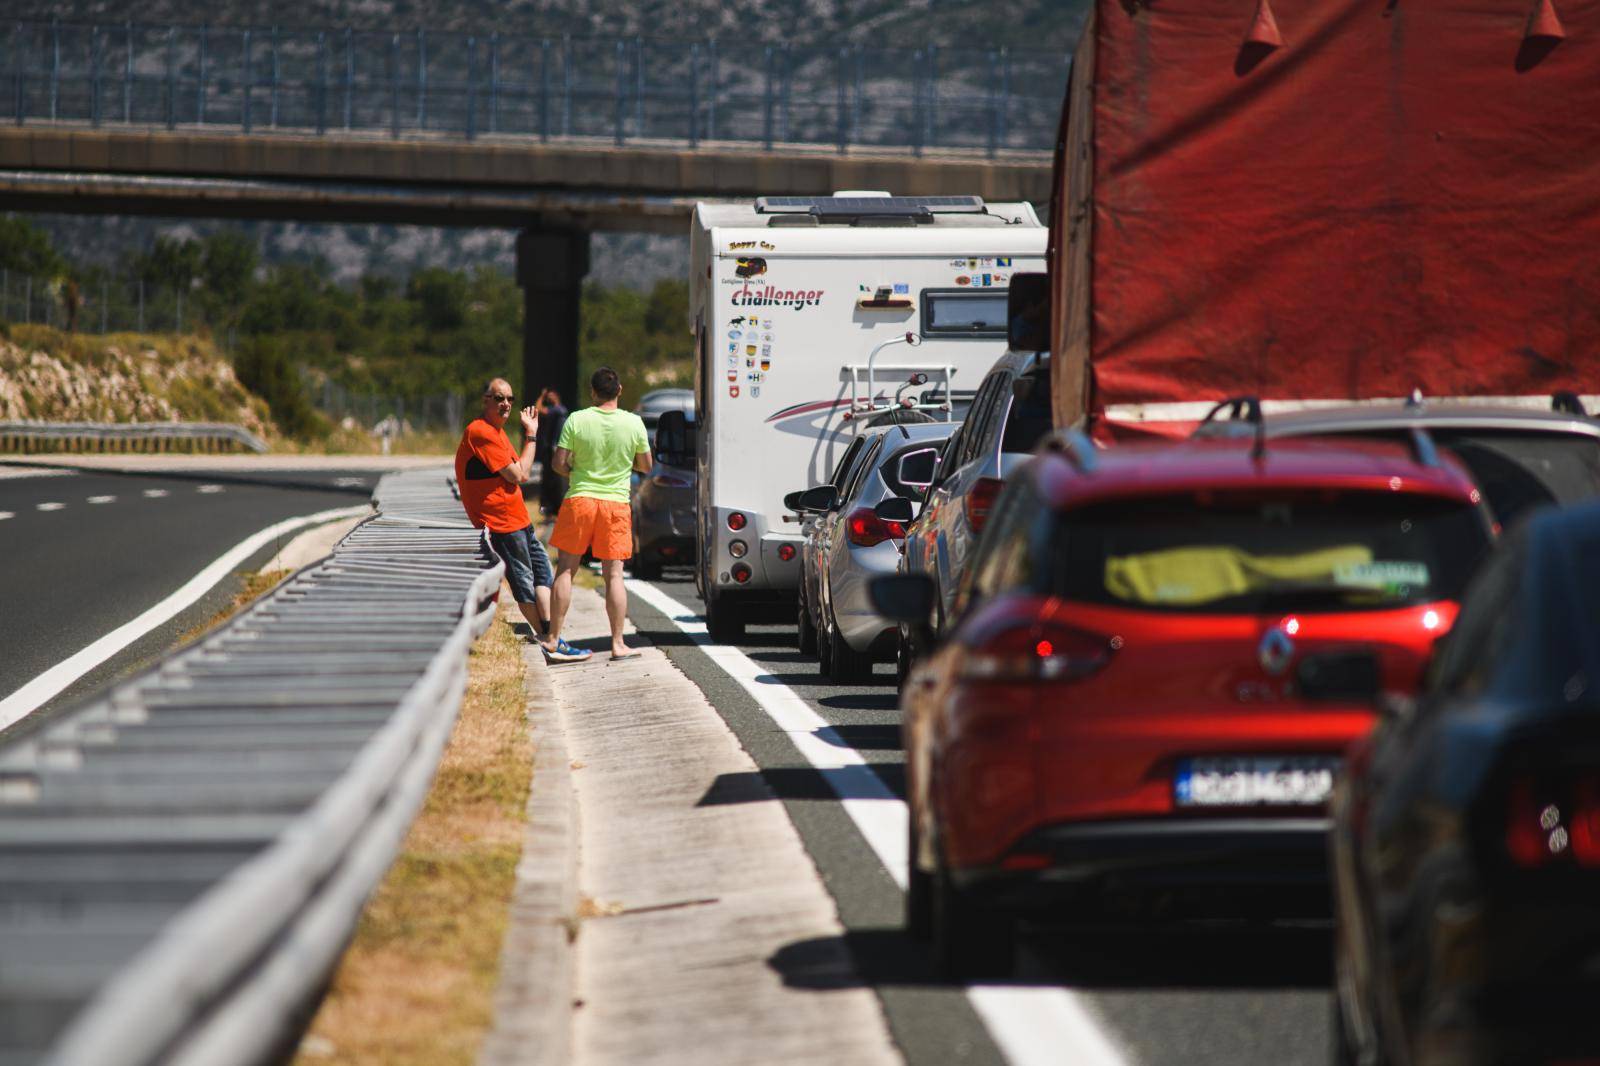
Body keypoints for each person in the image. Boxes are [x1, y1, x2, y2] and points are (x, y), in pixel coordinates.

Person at [455, 378, 592, 664]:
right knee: (524, 583)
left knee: (543, 574)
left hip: (518, 520)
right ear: (486, 401)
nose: (505, 404)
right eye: (499, 398)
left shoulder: (498, 433)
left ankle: (551, 637)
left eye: (510, 399)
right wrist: (531, 436)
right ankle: (549, 639)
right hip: (502, 524)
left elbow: (521, 469)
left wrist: (530, 436)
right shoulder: (480, 432)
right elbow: (520, 474)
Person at [547, 366, 652, 661]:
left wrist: (575, 471)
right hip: (615, 504)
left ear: (592, 393)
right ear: (619, 390)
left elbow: (558, 463)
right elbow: (645, 465)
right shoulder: (634, 423)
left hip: (580, 498)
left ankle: (554, 638)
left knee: (566, 569)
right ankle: (618, 644)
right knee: (614, 575)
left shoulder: (577, 420)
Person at [534, 387, 570, 522]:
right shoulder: (561, 411)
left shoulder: (557, 410)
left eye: (551, 396)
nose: (549, 399)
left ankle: (552, 509)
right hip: (553, 449)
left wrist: (541, 397)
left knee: (551, 481)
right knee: (554, 481)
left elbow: (538, 409)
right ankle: (553, 510)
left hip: (552, 450)